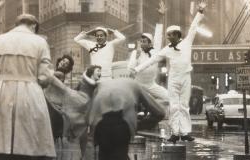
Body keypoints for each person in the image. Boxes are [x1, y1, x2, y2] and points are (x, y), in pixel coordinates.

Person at [130, 2, 207, 143]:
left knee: (183, 105)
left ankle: (184, 133)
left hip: (185, 77)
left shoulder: (187, 42)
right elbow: (152, 60)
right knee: (174, 105)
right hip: (173, 79)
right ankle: (174, 133)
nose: (168, 37)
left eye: (170, 35)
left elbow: (193, 27)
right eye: (167, 35)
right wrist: (136, 68)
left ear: (177, 35)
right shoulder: (166, 49)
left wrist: (200, 11)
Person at [0, 14, 56, 160]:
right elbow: (45, 75)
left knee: (3, 138)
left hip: (3, 90)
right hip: (30, 90)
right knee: (31, 137)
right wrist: (39, 80)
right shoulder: (40, 42)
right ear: (34, 25)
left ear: (16, 24)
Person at [87, 79, 166, 160]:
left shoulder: (100, 86)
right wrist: (139, 125)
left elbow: (89, 115)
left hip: (101, 125)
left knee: (104, 155)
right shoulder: (135, 85)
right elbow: (160, 113)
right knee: (120, 154)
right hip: (123, 125)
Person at [128, 33, 169, 104]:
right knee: (131, 100)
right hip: (138, 84)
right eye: (141, 41)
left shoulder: (155, 52)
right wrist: (136, 57)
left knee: (169, 97)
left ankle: (153, 103)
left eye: (144, 41)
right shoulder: (135, 52)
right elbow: (130, 69)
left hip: (151, 85)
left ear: (150, 43)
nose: (142, 43)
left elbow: (158, 38)